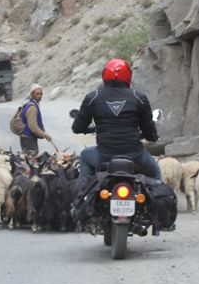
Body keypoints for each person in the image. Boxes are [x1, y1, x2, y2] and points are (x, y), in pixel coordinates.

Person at [71, 58, 161, 192]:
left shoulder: (93, 97)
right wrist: (151, 136)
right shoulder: (139, 97)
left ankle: (79, 197)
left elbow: (77, 128)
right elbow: (150, 131)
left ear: (104, 76)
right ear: (128, 76)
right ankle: (159, 206)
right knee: (155, 173)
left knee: (84, 155)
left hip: (104, 156)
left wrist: (92, 129)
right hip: (135, 155)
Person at [19, 83, 52, 154]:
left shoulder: (30, 104)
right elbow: (33, 127)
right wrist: (44, 135)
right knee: (32, 160)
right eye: (37, 94)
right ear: (32, 94)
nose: (40, 96)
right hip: (28, 139)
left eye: (41, 94)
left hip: (26, 138)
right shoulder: (32, 108)